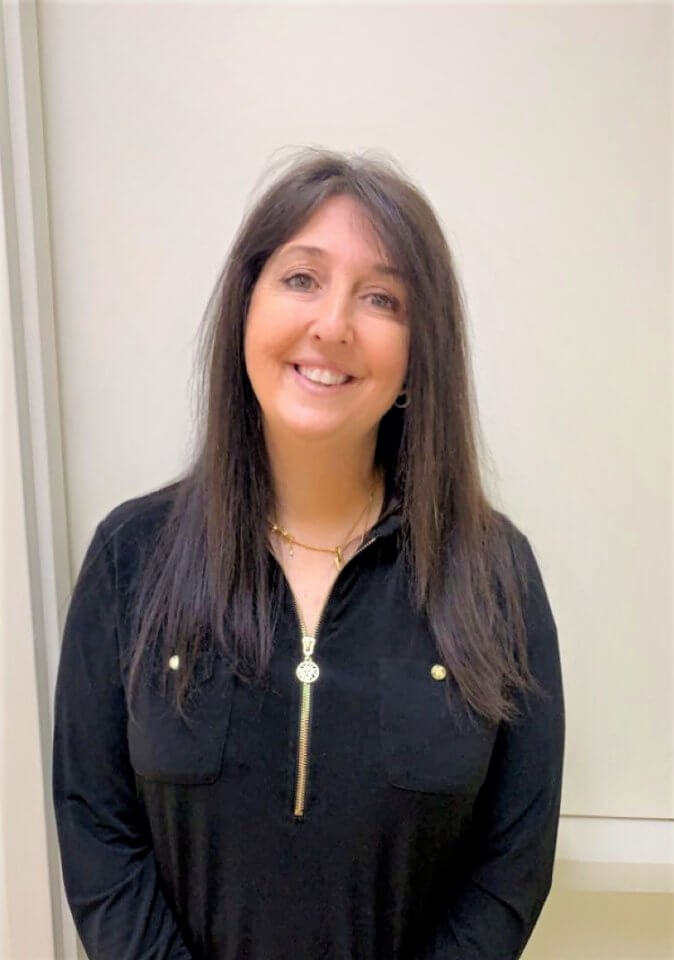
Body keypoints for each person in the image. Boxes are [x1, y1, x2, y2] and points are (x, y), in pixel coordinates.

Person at [52, 147, 565, 960]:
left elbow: (511, 866)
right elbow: (97, 828)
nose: (333, 324)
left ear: (418, 356)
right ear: (245, 312)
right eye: (301, 278)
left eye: (382, 297)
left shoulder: (495, 574)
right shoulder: (131, 556)